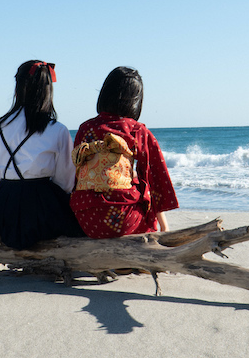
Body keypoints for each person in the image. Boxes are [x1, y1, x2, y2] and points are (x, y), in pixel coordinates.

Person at [0, 60, 83, 249]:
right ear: (47, 90)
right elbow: (65, 179)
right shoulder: (57, 129)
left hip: (3, 202)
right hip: (40, 201)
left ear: (18, 87)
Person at [71, 66, 179, 238]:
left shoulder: (85, 128)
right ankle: (131, 264)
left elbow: (76, 173)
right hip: (122, 220)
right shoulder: (137, 130)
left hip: (86, 218)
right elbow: (155, 179)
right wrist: (164, 227)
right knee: (142, 191)